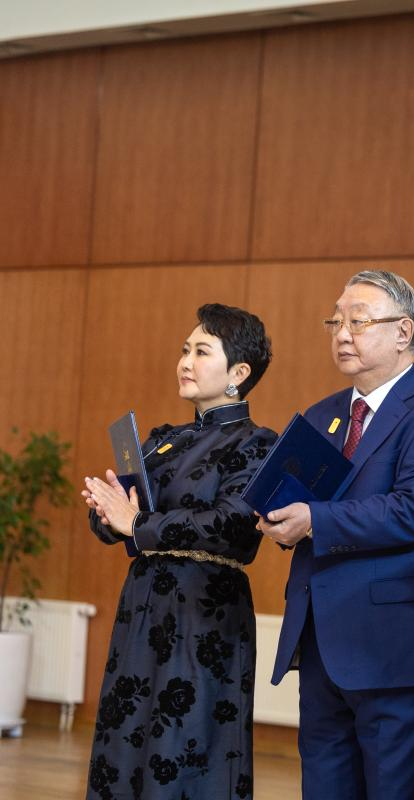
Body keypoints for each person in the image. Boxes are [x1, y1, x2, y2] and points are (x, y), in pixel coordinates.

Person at [259, 270, 414, 800]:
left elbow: (413, 510)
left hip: (396, 648)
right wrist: (278, 520)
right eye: (335, 322)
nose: (341, 334)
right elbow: (301, 503)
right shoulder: (323, 415)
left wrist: (314, 520)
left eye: (357, 321)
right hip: (321, 644)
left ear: (403, 332)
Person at [81, 304, 275, 800]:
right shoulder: (161, 441)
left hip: (206, 613)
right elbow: (118, 520)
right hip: (142, 607)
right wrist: (107, 513)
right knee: (124, 741)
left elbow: (230, 523)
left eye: (201, 352)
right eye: (185, 350)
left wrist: (137, 523)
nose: (185, 362)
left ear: (239, 373)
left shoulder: (258, 444)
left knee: (188, 745)